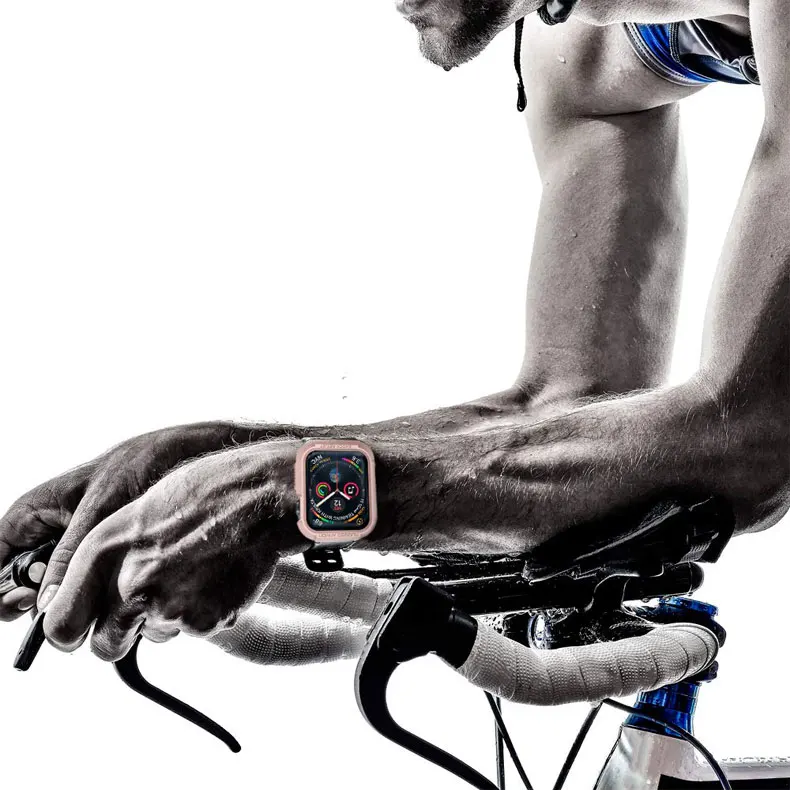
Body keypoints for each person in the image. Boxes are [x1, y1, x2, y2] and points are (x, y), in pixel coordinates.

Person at [0, 0, 786, 662]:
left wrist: (286, 494)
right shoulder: (580, 51)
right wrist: (207, 460)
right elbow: (574, 411)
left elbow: (751, 442)